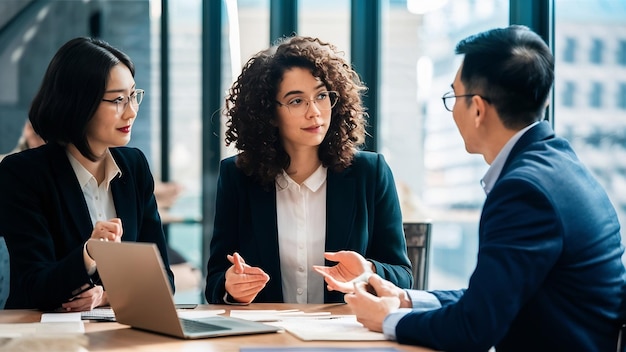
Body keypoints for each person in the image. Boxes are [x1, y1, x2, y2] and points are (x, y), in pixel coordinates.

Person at [343, 25, 626, 351]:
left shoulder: (524, 192)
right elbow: (494, 296)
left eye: (454, 97)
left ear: (477, 108)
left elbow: (475, 328)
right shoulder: (561, 167)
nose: (453, 112)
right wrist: (406, 299)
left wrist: (387, 320)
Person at [204, 35, 413, 305]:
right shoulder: (237, 176)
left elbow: (403, 276)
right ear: (268, 112)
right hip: (267, 337)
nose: (314, 112)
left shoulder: (370, 173)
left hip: (345, 336)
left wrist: (368, 272)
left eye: (322, 96)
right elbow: (215, 281)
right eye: (296, 101)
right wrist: (230, 286)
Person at [0, 37, 174, 311]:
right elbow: (32, 287)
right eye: (118, 100)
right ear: (79, 104)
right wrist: (90, 254)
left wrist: (105, 296)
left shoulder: (134, 166)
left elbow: (163, 279)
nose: (131, 112)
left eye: (133, 95)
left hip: (118, 334)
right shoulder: (22, 174)